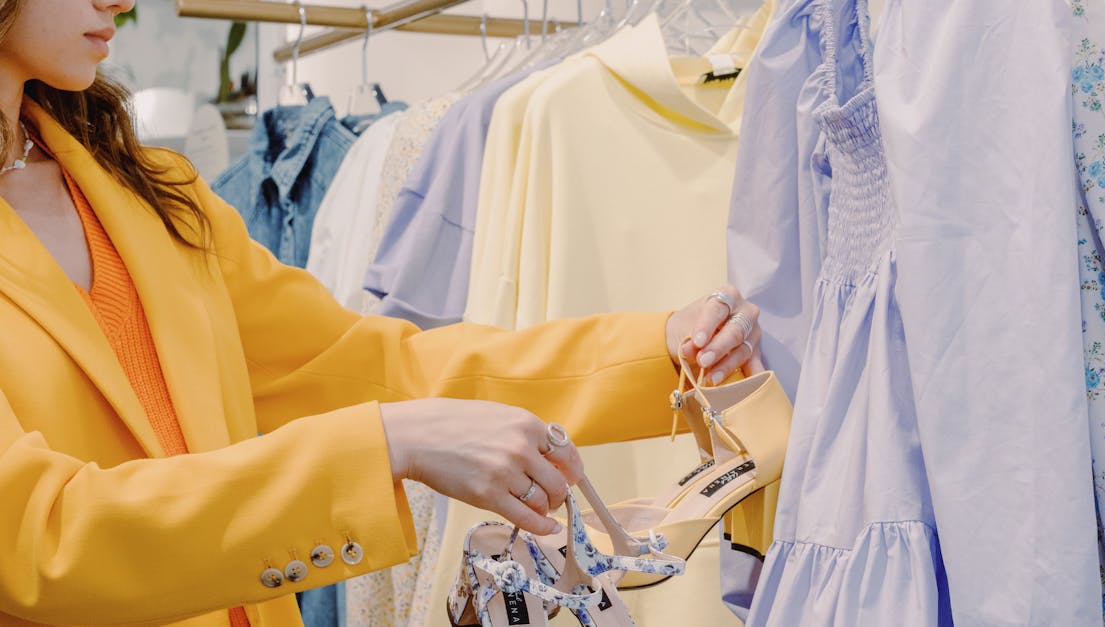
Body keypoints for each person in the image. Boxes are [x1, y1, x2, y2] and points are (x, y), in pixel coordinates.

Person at [0, 1, 764, 625]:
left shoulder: (150, 192)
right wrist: (386, 443)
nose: (121, 2)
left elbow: (371, 366)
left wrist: (662, 349)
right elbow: (38, 537)